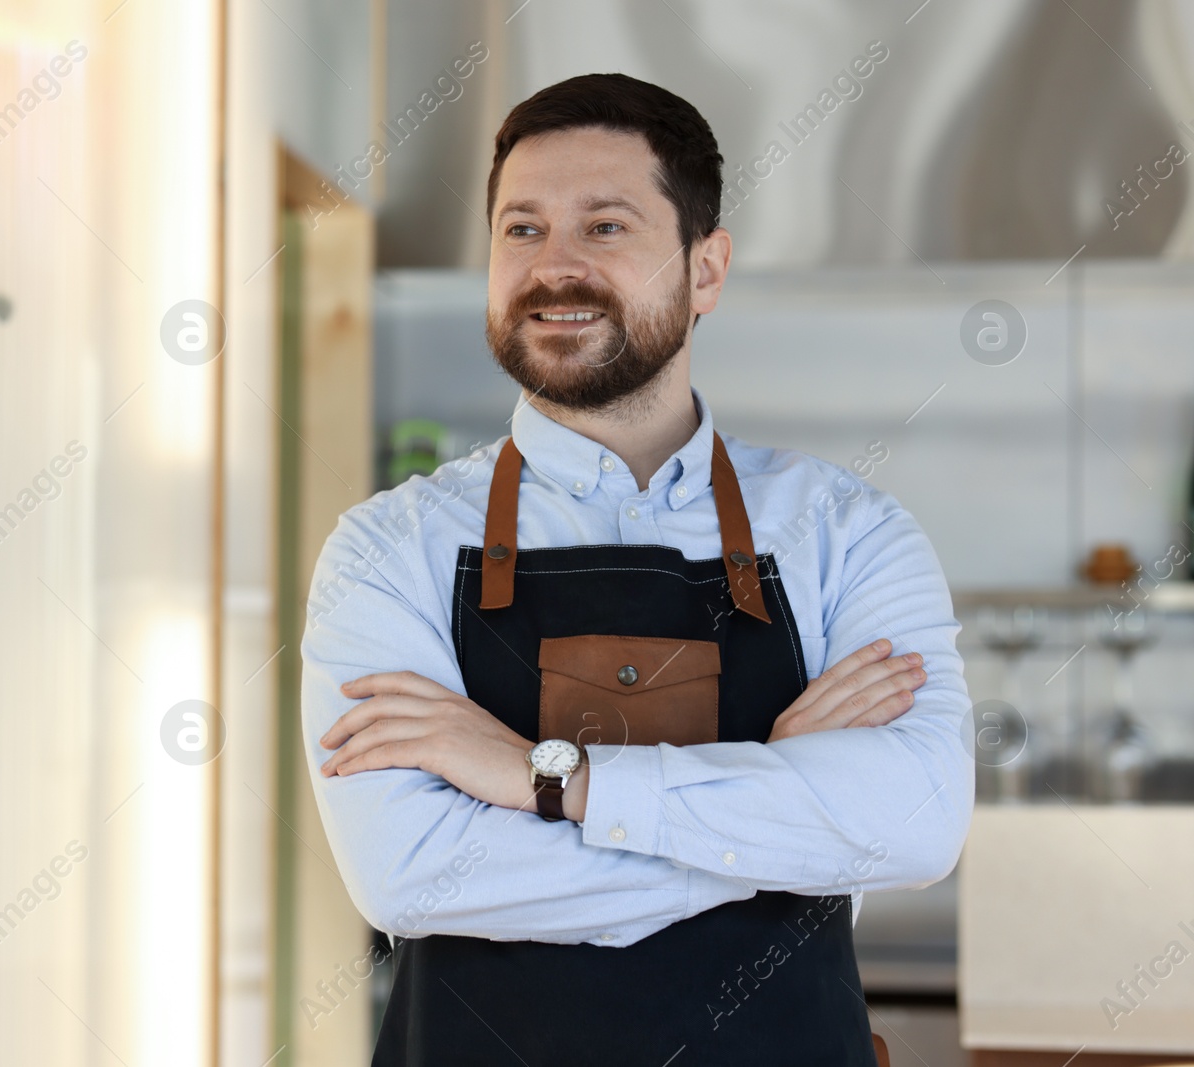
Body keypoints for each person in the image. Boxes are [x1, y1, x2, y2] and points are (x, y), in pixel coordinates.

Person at [302, 72, 971, 1065]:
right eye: (520, 229)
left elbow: (914, 826)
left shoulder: (846, 529)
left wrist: (547, 777)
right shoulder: (384, 545)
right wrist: (783, 825)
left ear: (706, 270)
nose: (552, 266)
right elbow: (411, 876)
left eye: (604, 227)